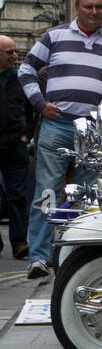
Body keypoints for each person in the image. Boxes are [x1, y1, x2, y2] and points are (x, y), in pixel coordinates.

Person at [20, 0, 102, 279]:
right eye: (88, 7)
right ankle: (39, 257)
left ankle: (78, 255)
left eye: (99, 7)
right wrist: (39, 104)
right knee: (46, 191)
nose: (94, 12)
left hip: (96, 131)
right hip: (58, 125)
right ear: (77, 8)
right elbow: (26, 70)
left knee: (90, 196)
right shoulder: (54, 37)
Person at [0, 35, 35, 258]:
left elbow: (31, 111)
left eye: (15, 51)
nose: (15, 56)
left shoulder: (20, 79)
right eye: (9, 52)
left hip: (15, 146)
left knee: (18, 196)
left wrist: (26, 136)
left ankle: (20, 243)